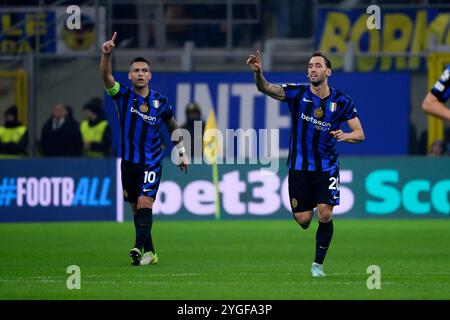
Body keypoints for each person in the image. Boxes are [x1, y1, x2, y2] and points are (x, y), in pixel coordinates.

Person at [247, 50, 365, 277]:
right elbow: (266, 88)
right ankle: (308, 209)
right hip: (299, 168)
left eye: (318, 65)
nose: (313, 69)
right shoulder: (297, 93)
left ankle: (318, 265)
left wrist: (346, 135)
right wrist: (258, 73)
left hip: (327, 167)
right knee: (303, 220)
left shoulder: (342, 101)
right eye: (310, 66)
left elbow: (360, 133)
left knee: (325, 214)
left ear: (328, 71)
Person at [100, 32, 188, 266]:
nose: (140, 74)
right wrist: (106, 55)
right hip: (128, 162)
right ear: (129, 76)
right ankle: (151, 253)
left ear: (150, 75)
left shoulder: (161, 101)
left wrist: (181, 151)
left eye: (144, 70)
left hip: (152, 161)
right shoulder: (122, 96)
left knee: (145, 203)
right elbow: (106, 76)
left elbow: (172, 125)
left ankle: (137, 247)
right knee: (135, 210)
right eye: (136, 70)